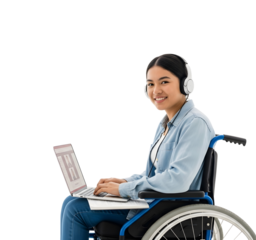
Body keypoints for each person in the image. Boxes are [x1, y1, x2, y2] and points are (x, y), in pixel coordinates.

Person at [59, 52, 216, 240]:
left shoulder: (195, 123)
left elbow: (178, 180)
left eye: (164, 82)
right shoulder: (166, 123)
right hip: (153, 201)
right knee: (71, 199)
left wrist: (123, 191)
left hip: (165, 208)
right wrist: (124, 182)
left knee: (75, 210)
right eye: (150, 84)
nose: (156, 90)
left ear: (186, 84)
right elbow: (153, 173)